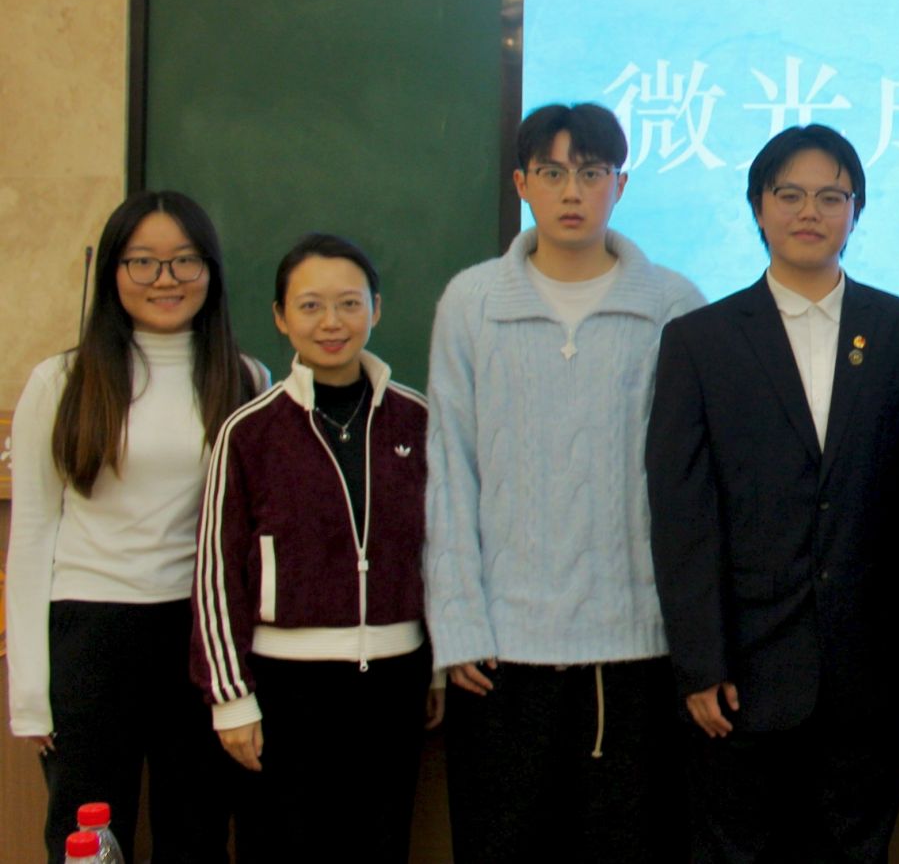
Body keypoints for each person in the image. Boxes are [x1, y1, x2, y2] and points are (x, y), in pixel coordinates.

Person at [647, 125, 899, 862]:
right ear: (758, 206)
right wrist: (700, 662)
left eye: (831, 197)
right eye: (790, 195)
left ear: (856, 211)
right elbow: (682, 514)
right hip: (742, 675)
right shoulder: (700, 340)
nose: (810, 212)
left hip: (867, 671)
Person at [425, 102, 705, 864]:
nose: (571, 190)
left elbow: (694, 483)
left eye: (590, 171)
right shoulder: (473, 301)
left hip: (640, 649)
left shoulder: (673, 303)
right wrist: (459, 626)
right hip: (502, 654)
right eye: (551, 172)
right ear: (522, 183)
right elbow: (449, 469)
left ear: (621, 184)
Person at [6, 192, 265, 864]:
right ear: (113, 272)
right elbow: (31, 536)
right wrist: (30, 691)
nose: (165, 279)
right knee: (87, 835)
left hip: (198, 637)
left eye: (185, 260)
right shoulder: (61, 380)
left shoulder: (245, 377)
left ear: (210, 270)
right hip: (89, 633)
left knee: (196, 834)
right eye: (143, 261)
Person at [191, 233, 440, 864]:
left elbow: (440, 554)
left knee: (381, 847)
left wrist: (438, 664)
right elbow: (216, 574)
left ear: (375, 309)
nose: (332, 322)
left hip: (395, 683)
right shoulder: (249, 431)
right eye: (310, 306)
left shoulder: (418, 421)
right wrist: (231, 698)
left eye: (349, 303)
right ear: (280, 316)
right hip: (285, 690)